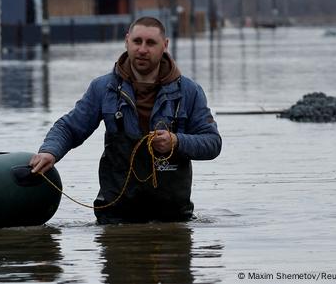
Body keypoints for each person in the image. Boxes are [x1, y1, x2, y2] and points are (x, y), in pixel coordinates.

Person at [29, 16, 221, 223]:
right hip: (115, 217)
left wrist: (176, 142)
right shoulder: (103, 88)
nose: (142, 49)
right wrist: (49, 151)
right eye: (137, 41)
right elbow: (69, 128)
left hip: (173, 219)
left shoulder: (189, 92)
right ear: (127, 41)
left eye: (151, 43)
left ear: (165, 45)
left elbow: (212, 143)